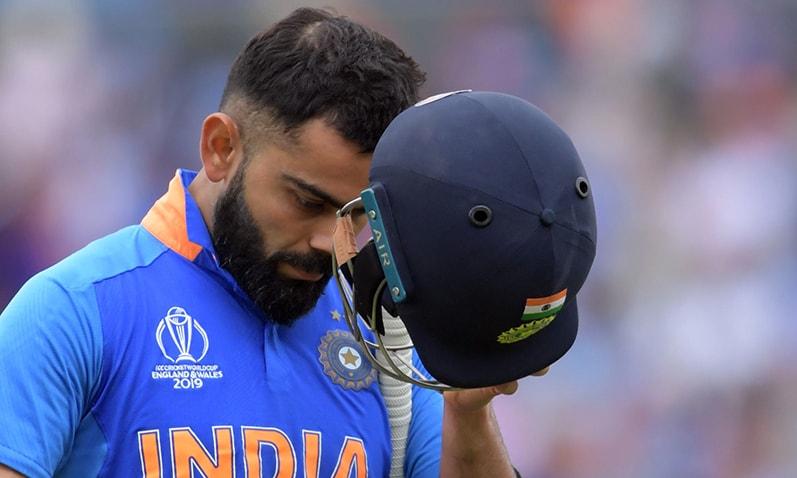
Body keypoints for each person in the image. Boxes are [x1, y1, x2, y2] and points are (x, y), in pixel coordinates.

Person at [0, 8, 525, 478]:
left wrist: (468, 410)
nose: (331, 242)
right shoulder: (72, 312)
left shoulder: (384, 337)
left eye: (356, 215)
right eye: (306, 201)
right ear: (221, 148)